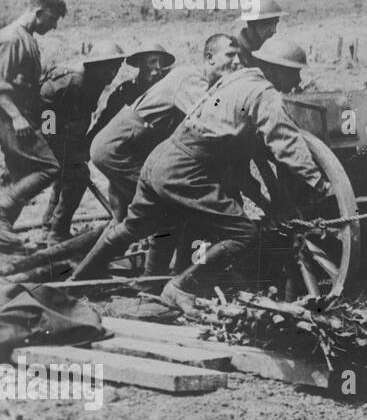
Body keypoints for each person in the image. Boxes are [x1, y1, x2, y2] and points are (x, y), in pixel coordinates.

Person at [69, 38, 328, 311]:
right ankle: (179, 287)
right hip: (185, 169)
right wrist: (318, 183)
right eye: (294, 71)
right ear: (276, 69)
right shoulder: (265, 95)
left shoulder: (235, 81)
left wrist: (261, 199)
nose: (298, 79)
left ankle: (79, 281)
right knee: (243, 234)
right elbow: (286, 144)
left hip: (160, 160)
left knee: (135, 226)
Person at [0, 0, 68, 251]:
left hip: (20, 116)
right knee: (50, 166)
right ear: (38, 11)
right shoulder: (10, 38)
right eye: (52, 19)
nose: (54, 26)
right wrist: (17, 118)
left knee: (21, 173)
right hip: (8, 117)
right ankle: (2, 214)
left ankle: (4, 235)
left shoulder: (26, 38)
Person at [37, 41, 125, 241]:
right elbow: (45, 108)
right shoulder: (74, 81)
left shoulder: (95, 80)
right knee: (78, 176)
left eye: (117, 67)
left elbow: (80, 115)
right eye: (108, 67)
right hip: (49, 134)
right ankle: (57, 232)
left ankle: (48, 228)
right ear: (95, 64)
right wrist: (50, 142)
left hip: (65, 134)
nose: (113, 73)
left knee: (66, 178)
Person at [89, 42, 176, 138]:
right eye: (152, 62)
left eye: (161, 62)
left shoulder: (167, 90)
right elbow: (103, 125)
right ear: (140, 64)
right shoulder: (125, 91)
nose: (158, 66)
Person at [231, 0, 284, 66]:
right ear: (252, 23)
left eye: (276, 23)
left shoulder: (265, 47)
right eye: (268, 24)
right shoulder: (235, 52)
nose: (274, 30)